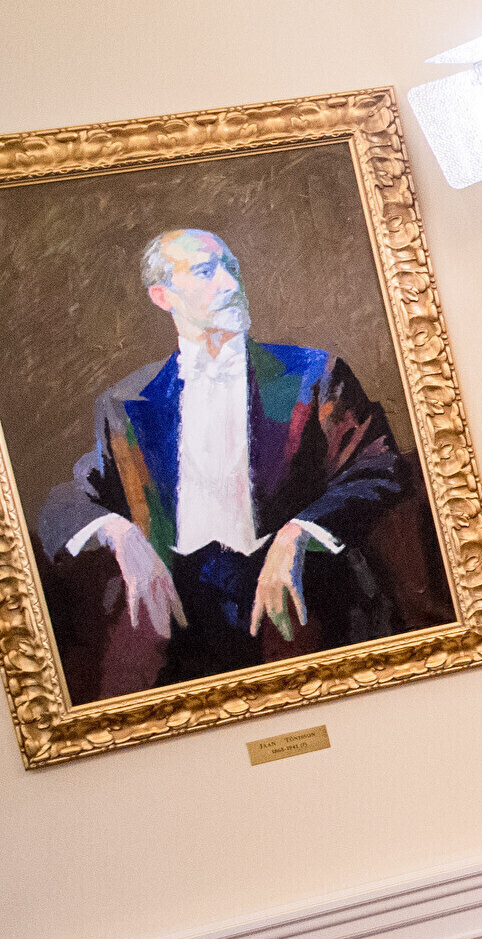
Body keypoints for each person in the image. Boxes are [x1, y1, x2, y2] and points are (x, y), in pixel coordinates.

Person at [37, 228, 436, 699]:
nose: (230, 284)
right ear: (162, 296)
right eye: (207, 271)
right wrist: (118, 533)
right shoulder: (127, 402)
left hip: (303, 602)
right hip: (184, 621)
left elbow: (377, 467)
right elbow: (65, 502)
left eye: (232, 268)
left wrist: (299, 533)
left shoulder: (315, 373)